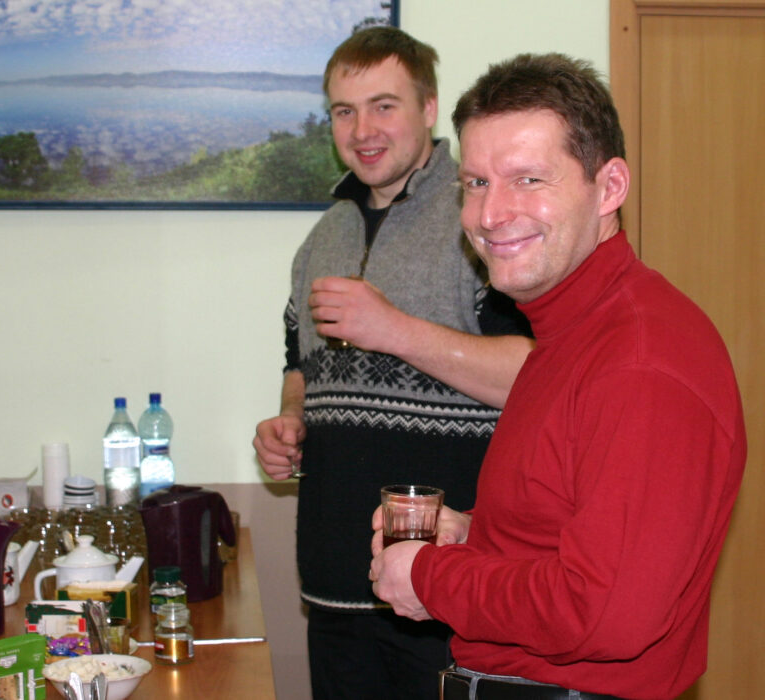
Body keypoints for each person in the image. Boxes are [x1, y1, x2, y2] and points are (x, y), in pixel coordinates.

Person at [370, 53, 747, 700]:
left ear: (610, 187)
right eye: (476, 182)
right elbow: (569, 531)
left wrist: (431, 577)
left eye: (528, 179)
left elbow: (605, 612)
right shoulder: (570, 334)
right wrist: (474, 537)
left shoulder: (640, 359)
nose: (490, 214)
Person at [252, 27, 534, 700]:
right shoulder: (322, 236)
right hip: (332, 588)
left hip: (448, 587)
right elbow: (298, 359)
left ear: (429, 109)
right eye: (344, 111)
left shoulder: (481, 220)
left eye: (384, 106)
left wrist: (396, 330)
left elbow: (534, 375)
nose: (362, 130)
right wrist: (289, 422)